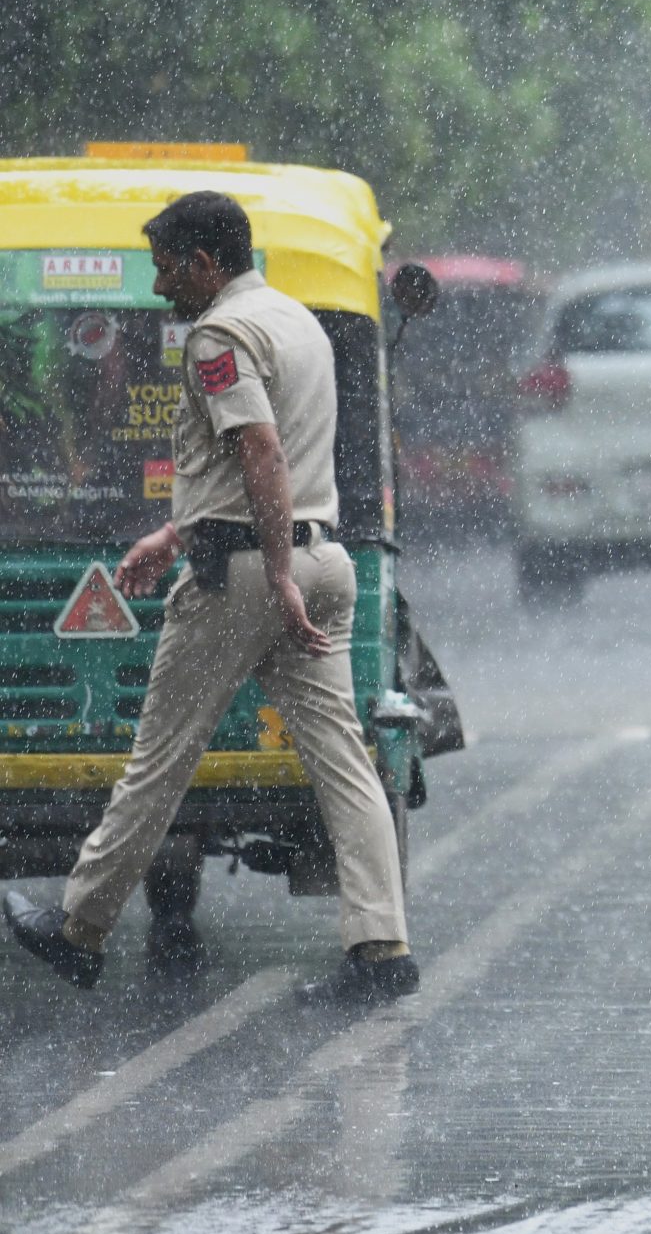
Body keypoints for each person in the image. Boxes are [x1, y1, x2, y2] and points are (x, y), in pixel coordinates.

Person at [5, 190, 419, 1006]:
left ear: (204, 263)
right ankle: (382, 949)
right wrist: (178, 533)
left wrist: (268, 573)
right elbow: (273, 461)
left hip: (249, 579)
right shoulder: (295, 319)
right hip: (323, 558)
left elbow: (261, 449)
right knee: (343, 761)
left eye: (165, 267)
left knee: (159, 760)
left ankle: (81, 929)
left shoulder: (219, 336)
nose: (159, 286)